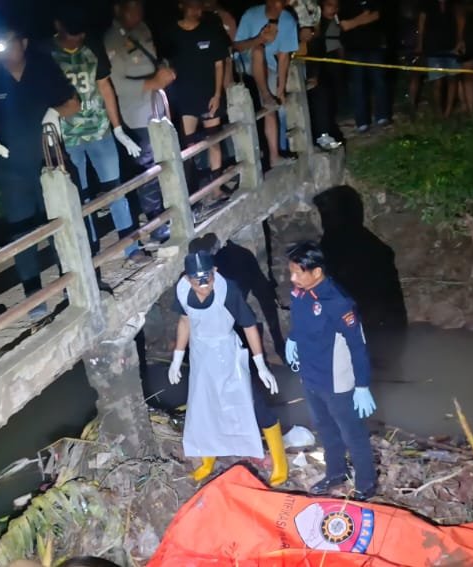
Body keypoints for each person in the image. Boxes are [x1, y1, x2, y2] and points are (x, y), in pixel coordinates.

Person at [168, 250, 287, 486]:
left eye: (208, 278)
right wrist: (177, 358)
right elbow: (185, 321)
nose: (204, 286)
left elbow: (249, 325)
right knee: (204, 407)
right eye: (197, 281)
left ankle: (280, 462)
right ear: (187, 278)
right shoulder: (182, 291)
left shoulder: (227, 290)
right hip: (202, 356)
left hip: (227, 353)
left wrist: (260, 364)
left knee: (252, 403)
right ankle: (208, 460)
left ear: (215, 272)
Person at [0, 25, 81, 317]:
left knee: (59, 223)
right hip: (11, 169)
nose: (4, 49)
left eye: (9, 42)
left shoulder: (42, 68)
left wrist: (55, 112)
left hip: (48, 163)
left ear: (24, 42)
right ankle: (33, 293)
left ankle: (71, 280)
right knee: (21, 233)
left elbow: (73, 103)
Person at [49, 3, 152, 267]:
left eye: (80, 35)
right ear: (58, 26)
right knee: (80, 198)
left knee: (116, 190)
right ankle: (90, 251)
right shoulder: (47, 54)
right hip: (68, 138)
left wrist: (118, 129)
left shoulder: (92, 46)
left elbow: (105, 87)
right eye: (72, 35)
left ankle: (131, 247)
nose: (77, 40)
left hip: (100, 131)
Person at [283, 241, 378, 500]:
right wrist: (293, 338)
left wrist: (362, 385)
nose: (292, 278)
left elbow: (358, 346)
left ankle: (366, 484)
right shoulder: (301, 293)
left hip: (336, 380)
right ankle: (336, 472)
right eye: (291, 272)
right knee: (324, 427)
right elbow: (300, 320)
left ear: (316, 272)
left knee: (352, 433)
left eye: (297, 273)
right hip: (310, 373)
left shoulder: (338, 302)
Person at [104, 0, 174, 242]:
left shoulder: (143, 29)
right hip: (136, 114)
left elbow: (153, 60)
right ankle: (156, 222)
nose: (137, 13)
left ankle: (171, 210)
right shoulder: (112, 40)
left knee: (166, 159)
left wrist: (165, 70)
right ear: (118, 9)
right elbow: (116, 84)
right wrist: (153, 82)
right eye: (132, 8)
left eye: (140, 7)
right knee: (148, 168)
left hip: (157, 107)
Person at [162, 0, 233, 197]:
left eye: (199, 6)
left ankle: (216, 188)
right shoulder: (171, 33)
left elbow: (220, 64)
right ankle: (190, 191)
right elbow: (166, 63)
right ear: (182, 6)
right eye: (192, 6)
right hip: (185, 99)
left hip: (209, 96)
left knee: (214, 140)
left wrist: (217, 94)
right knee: (188, 146)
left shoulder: (210, 30)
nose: (196, 10)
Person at [233, 0, 300, 169]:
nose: (278, 6)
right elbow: (237, 46)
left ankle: (274, 156)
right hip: (245, 65)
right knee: (258, 51)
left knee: (271, 108)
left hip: (268, 68)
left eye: (281, 3)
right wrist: (259, 39)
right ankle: (265, 94)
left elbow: (284, 57)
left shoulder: (288, 20)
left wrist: (280, 89)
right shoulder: (251, 15)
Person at [337, 0, 390, 132]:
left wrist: (355, 21)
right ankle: (362, 122)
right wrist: (364, 17)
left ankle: (382, 116)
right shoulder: (344, 3)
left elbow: (376, 15)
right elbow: (345, 25)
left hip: (374, 46)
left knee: (379, 82)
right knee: (357, 86)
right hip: (353, 49)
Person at [305, 0, 344, 150]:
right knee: (318, 98)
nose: (334, 9)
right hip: (311, 67)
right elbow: (313, 46)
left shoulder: (332, 21)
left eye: (336, 6)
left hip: (325, 66)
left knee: (326, 98)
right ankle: (320, 135)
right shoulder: (312, 22)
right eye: (329, 5)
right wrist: (313, 73)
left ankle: (325, 132)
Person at [417, 0, 464, 117]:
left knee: (452, 80)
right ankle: (438, 111)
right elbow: (421, 26)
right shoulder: (427, 4)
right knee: (437, 82)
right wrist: (420, 45)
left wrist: (459, 42)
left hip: (451, 48)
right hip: (433, 48)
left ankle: (448, 112)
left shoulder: (454, 4)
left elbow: (460, 22)